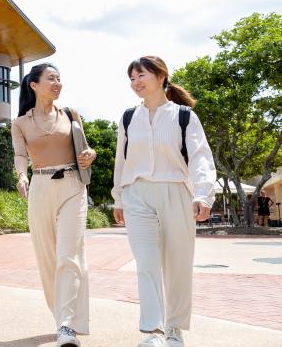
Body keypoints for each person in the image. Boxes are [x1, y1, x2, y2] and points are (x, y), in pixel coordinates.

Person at [112, 56, 216, 347]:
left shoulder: (184, 116)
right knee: (146, 262)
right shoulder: (128, 117)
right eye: (131, 78)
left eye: (141, 75)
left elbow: (200, 157)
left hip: (176, 192)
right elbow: (122, 160)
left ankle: (174, 329)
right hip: (137, 195)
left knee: (178, 264)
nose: (135, 83)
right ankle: (153, 332)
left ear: (160, 76)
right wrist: (118, 197)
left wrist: (203, 194)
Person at [12, 63, 96, 347]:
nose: (57, 83)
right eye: (51, 79)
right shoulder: (21, 122)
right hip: (40, 187)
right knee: (48, 258)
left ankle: (67, 325)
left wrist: (90, 155)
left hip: (73, 186)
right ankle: (60, 315)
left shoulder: (71, 115)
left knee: (68, 256)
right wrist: (21, 176)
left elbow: (84, 148)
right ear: (34, 85)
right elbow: (20, 155)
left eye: (60, 79)